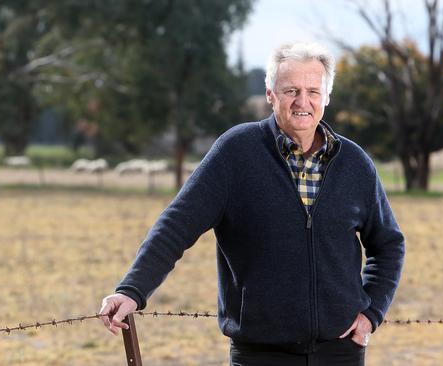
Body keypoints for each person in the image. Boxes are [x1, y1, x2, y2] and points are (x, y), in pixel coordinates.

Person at [99, 42, 405, 366]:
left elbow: (388, 244)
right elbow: (176, 226)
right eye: (291, 90)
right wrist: (133, 290)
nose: (303, 101)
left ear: (326, 97)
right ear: (271, 93)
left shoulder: (355, 163)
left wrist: (371, 313)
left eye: (313, 91)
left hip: (340, 353)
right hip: (260, 355)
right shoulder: (236, 153)